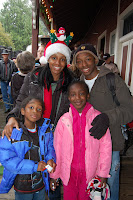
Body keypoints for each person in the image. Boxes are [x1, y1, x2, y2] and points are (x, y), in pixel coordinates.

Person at [2, 28, 109, 200]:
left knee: (55, 176)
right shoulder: (33, 77)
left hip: (60, 136)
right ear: (48, 58)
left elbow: (83, 103)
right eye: (53, 58)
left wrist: (103, 117)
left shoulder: (72, 81)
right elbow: (21, 101)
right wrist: (11, 118)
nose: (57, 63)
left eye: (62, 59)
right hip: (36, 134)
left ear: (66, 61)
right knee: (35, 175)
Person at [72, 43, 133, 200]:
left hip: (111, 146)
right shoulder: (78, 83)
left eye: (88, 59)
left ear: (95, 59)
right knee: (90, 189)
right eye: (79, 61)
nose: (84, 64)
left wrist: (107, 117)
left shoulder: (112, 80)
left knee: (109, 187)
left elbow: (129, 110)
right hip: (85, 148)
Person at [50, 80, 112, 200]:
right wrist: (54, 174)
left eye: (81, 93)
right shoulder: (63, 121)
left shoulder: (98, 119)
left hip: (90, 174)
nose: (77, 98)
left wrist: (103, 173)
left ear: (88, 95)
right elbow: (57, 149)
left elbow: (106, 148)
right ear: (68, 97)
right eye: (73, 94)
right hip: (69, 175)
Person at [0, 96, 56, 200]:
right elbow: (7, 160)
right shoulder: (12, 133)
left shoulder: (45, 132)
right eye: (31, 107)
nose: (35, 111)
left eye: (39, 109)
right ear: (22, 111)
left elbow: (50, 148)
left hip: (41, 184)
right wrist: (34, 166)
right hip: (22, 186)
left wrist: (50, 159)